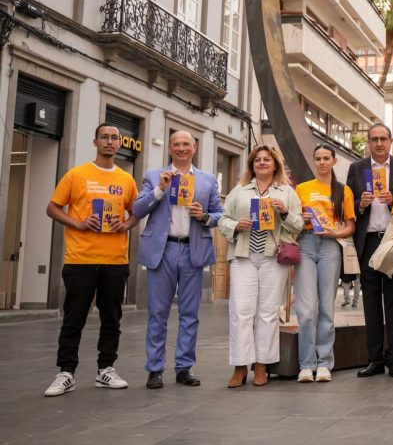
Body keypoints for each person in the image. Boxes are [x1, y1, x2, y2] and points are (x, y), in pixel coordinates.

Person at [44, 124, 139, 397]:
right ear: (95, 141)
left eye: (114, 138)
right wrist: (79, 223)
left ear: (119, 143)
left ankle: (105, 369)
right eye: (105, 137)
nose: (110, 142)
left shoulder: (126, 179)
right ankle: (65, 372)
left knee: (112, 319)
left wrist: (127, 224)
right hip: (80, 259)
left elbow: (135, 213)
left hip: (115, 260)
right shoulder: (77, 175)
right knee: (74, 319)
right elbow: (52, 207)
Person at [131, 131, 222, 390]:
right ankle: (155, 369)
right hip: (163, 250)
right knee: (157, 313)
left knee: (190, 314)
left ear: (194, 147)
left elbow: (219, 214)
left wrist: (204, 216)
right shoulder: (153, 176)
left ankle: (184, 367)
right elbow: (137, 210)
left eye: (186, 144)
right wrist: (160, 189)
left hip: (193, 250)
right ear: (170, 147)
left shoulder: (207, 180)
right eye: (176, 144)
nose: (181, 148)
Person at [219, 144, 303, 388]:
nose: (262, 163)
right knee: (240, 311)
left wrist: (285, 211)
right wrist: (236, 226)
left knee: (267, 313)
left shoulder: (287, 192)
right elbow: (223, 219)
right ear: (252, 165)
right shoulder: (239, 190)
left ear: (275, 164)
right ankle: (239, 366)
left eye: (267, 159)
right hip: (244, 256)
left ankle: (263, 365)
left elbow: (298, 226)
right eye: (258, 160)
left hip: (272, 257)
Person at [345, 123, 393, 379]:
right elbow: (349, 208)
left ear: (391, 141)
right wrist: (360, 205)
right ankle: (375, 359)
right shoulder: (357, 168)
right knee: (371, 302)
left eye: (383, 139)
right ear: (368, 142)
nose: (379, 143)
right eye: (374, 139)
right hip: (369, 241)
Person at [294, 144, 356, 383]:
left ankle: (323, 363)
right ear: (314, 161)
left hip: (331, 246)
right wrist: (302, 219)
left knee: (327, 308)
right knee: (306, 309)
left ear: (333, 161)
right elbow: (291, 220)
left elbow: (351, 225)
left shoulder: (343, 191)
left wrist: (335, 233)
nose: (321, 162)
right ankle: (306, 364)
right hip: (305, 243)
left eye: (326, 158)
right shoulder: (301, 189)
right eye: (317, 158)